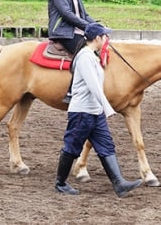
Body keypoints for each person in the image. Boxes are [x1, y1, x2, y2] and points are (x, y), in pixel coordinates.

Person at [54, 22, 143, 197]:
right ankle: (60, 182)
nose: (107, 39)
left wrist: (101, 108)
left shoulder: (92, 56)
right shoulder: (85, 57)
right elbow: (93, 85)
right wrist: (108, 107)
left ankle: (119, 183)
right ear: (97, 38)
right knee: (72, 146)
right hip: (82, 112)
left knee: (106, 145)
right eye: (104, 36)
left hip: (94, 111)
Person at [48, 0, 97, 103]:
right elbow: (67, 14)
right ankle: (71, 91)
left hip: (74, 30)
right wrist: (88, 26)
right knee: (85, 53)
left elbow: (83, 14)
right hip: (62, 32)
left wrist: (97, 26)